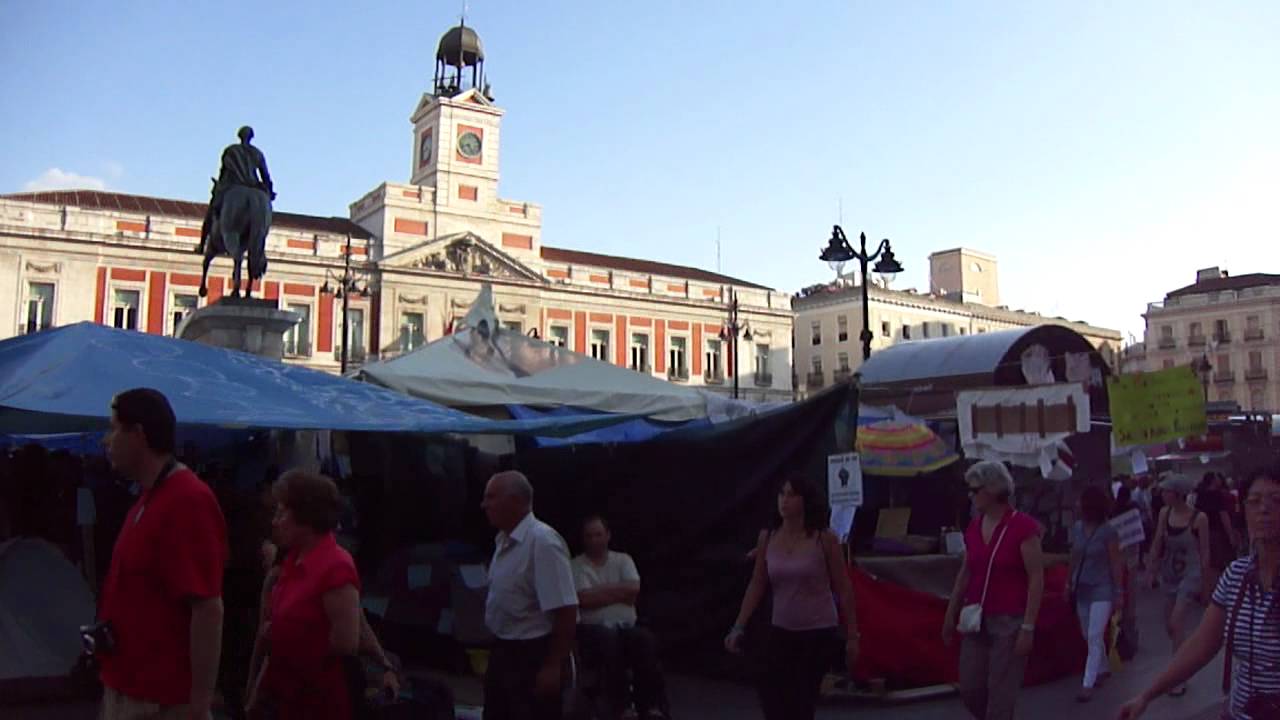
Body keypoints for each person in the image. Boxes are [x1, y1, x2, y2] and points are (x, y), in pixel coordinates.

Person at [97, 388, 228, 720]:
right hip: (129, 688)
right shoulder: (148, 497)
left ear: (138, 434)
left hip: (158, 701)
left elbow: (208, 608)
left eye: (113, 428)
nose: (105, 440)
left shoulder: (187, 500)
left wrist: (199, 705)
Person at [1117, 468, 1280, 719]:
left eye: (1275, 500)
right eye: (1255, 502)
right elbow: (1202, 645)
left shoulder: (1199, 519)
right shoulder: (1236, 575)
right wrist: (1147, 695)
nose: (1264, 510)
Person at [725, 475, 860, 720]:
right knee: (773, 696)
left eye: (791, 495)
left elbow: (843, 587)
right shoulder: (768, 537)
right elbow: (757, 583)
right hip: (781, 628)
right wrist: (738, 625)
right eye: (781, 495)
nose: (784, 501)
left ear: (805, 500)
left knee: (801, 702)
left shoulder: (824, 538)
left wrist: (852, 635)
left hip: (818, 629)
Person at [249, 470, 363, 719]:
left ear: (306, 516)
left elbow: (346, 644)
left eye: (282, 513)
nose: (274, 521)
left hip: (316, 703)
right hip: (283, 697)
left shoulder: (335, 566)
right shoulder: (292, 562)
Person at [942, 461, 1045, 720]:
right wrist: (951, 611)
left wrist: (1028, 627)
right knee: (970, 688)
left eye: (975, 490)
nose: (971, 495)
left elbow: (1036, 577)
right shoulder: (974, 527)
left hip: (1010, 620)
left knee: (1001, 695)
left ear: (992, 490)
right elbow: (966, 571)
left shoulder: (1023, 527)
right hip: (976, 617)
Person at [481, 471, 579, 720]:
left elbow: (566, 609)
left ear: (514, 500)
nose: (484, 505)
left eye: (491, 497)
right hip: (502, 650)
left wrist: (552, 666)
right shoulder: (502, 540)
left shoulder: (543, 542)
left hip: (533, 654)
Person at [572, 515, 670, 720]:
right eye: (589, 536)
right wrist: (619, 592)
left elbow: (633, 590)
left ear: (607, 536)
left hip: (626, 626)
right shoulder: (575, 565)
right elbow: (583, 599)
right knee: (609, 641)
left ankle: (650, 705)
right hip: (592, 630)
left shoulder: (623, 560)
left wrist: (599, 593)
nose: (594, 540)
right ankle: (622, 706)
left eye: (598, 535)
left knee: (645, 640)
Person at [1146, 472, 1213, 697]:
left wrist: (1205, 585)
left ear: (1177, 494)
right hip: (1169, 574)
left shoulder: (1199, 518)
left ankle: (1177, 676)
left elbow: (1204, 553)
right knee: (1170, 625)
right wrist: (1151, 570)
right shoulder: (1164, 514)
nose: (1163, 495)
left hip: (1190, 574)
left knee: (1177, 621)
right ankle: (1182, 658)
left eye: (1166, 491)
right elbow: (1156, 543)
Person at [1067, 485, 1125, 702]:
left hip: (1102, 589)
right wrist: (1068, 582)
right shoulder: (1078, 528)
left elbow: (1115, 562)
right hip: (1081, 587)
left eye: (1080, 501)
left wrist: (1119, 591)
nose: (1077, 505)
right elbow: (1074, 555)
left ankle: (1087, 683)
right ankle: (1102, 667)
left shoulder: (1108, 532)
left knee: (1093, 634)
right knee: (1088, 633)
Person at [1196, 472, 1243, 584]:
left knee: (1209, 560)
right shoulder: (1217, 495)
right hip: (1218, 531)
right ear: (1213, 480)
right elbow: (1223, 515)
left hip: (1203, 531)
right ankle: (1223, 584)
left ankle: (1209, 585)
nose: (1220, 480)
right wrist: (1230, 534)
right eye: (1217, 478)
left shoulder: (1200, 494)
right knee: (1221, 560)